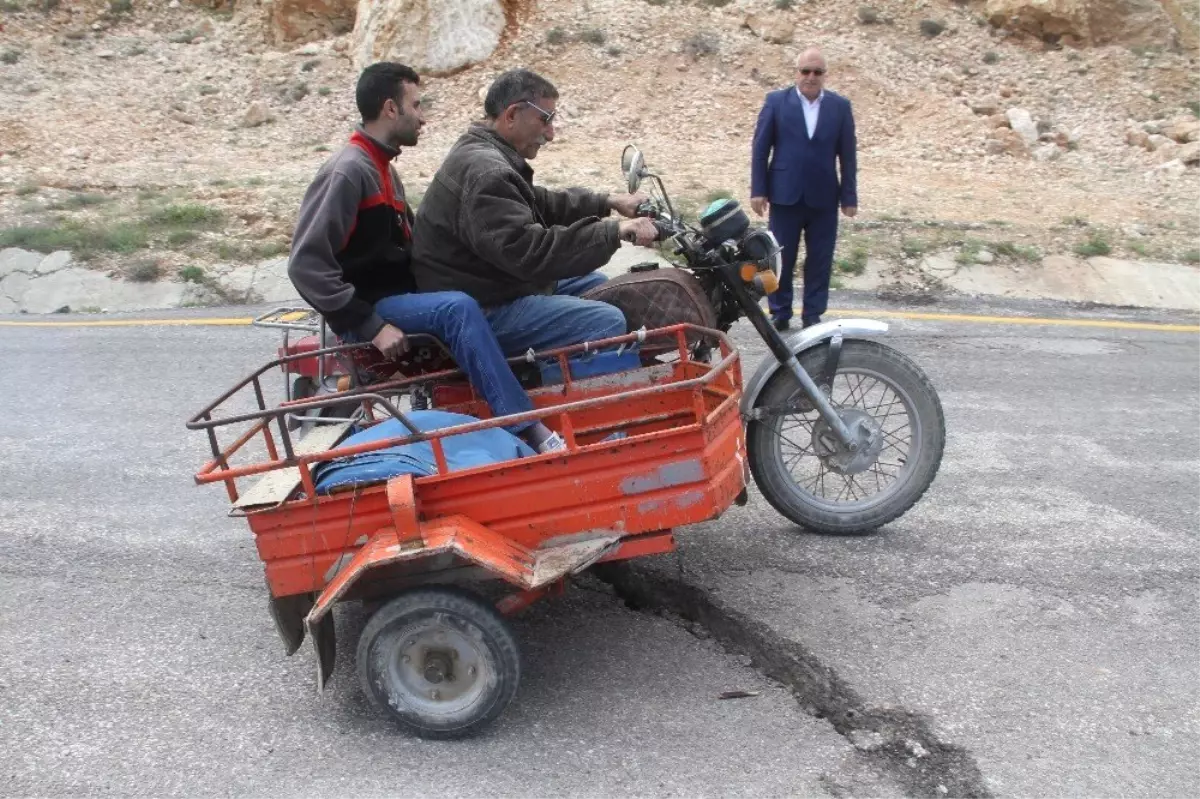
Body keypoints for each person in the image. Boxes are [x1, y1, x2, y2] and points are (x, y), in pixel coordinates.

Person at [287, 62, 567, 454]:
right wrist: (371, 325)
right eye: (416, 106)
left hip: (400, 299)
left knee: (510, 288)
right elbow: (306, 265)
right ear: (390, 109)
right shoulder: (348, 172)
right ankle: (525, 426)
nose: (423, 118)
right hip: (373, 310)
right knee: (458, 308)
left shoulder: (383, 169)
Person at [411, 68, 660, 356]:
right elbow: (530, 252)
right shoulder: (485, 171)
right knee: (607, 320)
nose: (551, 134)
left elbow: (538, 203)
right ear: (512, 115)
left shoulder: (483, 151)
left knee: (604, 288)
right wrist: (615, 231)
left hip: (491, 283)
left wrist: (608, 202)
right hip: (483, 308)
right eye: (545, 120)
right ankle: (577, 396)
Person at [750, 47, 858, 331]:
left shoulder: (840, 107)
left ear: (824, 75)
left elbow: (847, 155)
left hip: (824, 197)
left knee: (820, 258)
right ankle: (780, 311)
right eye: (805, 71)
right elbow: (761, 149)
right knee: (780, 257)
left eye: (817, 72)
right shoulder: (776, 102)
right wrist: (758, 190)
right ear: (796, 73)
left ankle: (812, 313)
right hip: (785, 194)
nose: (811, 77)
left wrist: (849, 196)